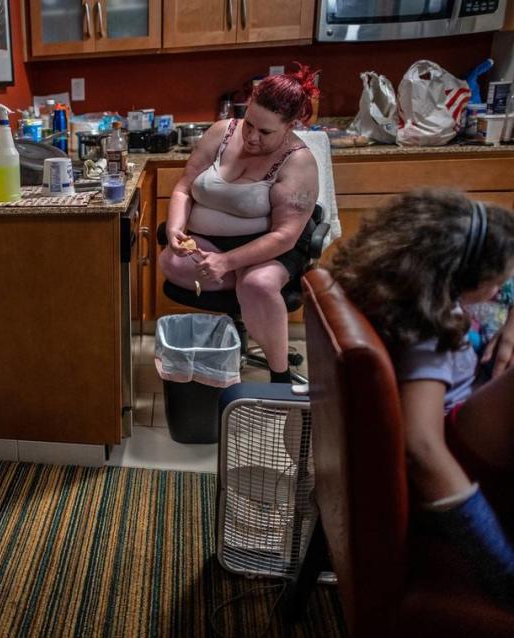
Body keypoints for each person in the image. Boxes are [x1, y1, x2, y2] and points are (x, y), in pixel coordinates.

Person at [329, 189, 514, 606]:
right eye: (498, 283)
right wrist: (502, 567)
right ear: (464, 274)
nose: (501, 290)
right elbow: (422, 445)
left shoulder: (403, 296)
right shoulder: (431, 332)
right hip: (460, 455)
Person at [159, 63, 321, 383]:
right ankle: (247, 292)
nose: (251, 137)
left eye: (265, 132)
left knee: (256, 285)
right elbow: (183, 188)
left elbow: (286, 235)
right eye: (249, 124)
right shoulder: (222, 132)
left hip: (271, 244)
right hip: (210, 241)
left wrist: (227, 261)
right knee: (171, 262)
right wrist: (174, 228)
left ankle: (280, 375)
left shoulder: (298, 162)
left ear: (290, 126)